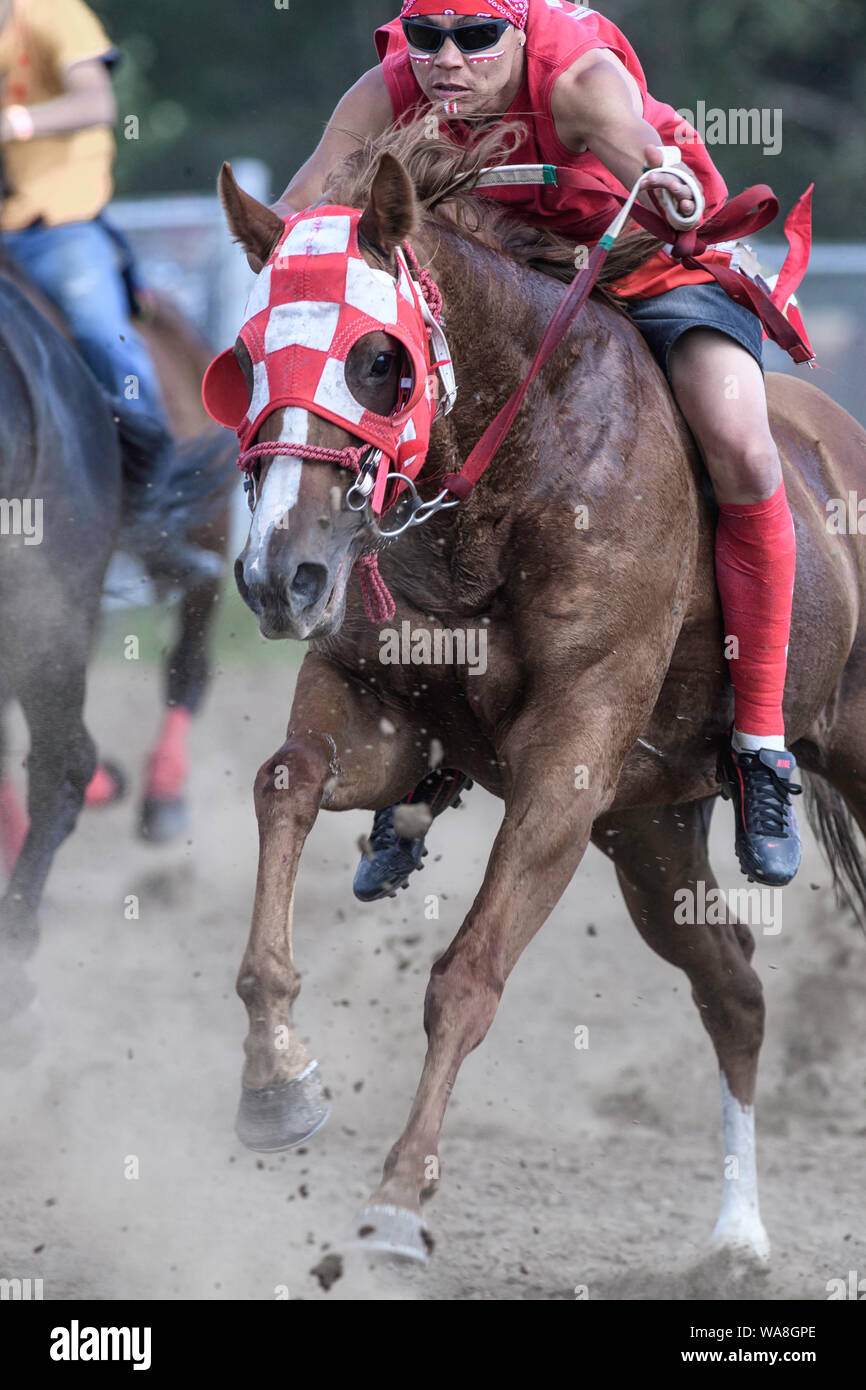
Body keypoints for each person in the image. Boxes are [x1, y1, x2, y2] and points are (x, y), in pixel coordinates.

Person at [269, 0, 804, 898]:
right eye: (424, 35)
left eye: (475, 36)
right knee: (394, 431)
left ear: (519, 29)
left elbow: (640, 148)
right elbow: (300, 204)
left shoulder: (581, 79)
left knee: (742, 444)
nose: (446, 57)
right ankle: (425, 740)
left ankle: (761, 745)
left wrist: (664, 177)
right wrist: (280, 244)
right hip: (500, 293)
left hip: (643, 261)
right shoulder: (384, 91)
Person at [0, 0, 216, 584]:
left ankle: (153, 509)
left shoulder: (50, 14)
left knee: (102, 333)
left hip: (58, 228)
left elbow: (97, 101)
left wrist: (14, 121)